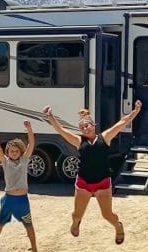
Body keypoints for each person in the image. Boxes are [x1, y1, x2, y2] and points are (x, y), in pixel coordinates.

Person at [43, 101, 142, 244]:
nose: (85, 129)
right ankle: (76, 223)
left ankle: (118, 227)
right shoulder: (78, 141)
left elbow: (122, 122)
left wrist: (136, 111)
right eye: (82, 127)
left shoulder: (105, 137)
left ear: (93, 126)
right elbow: (61, 131)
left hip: (102, 182)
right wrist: (50, 116)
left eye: (87, 126)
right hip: (84, 182)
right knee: (77, 214)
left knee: (107, 215)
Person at [0, 121, 39, 252]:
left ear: (20, 152)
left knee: (29, 225)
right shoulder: (5, 162)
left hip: (22, 200)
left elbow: (31, 145)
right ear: (8, 152)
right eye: (11, 151)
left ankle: (35, 250)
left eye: (16, 151)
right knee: (0, 223)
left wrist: (29, 129)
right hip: (9, 199)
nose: (13, 153)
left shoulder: (24, 161)